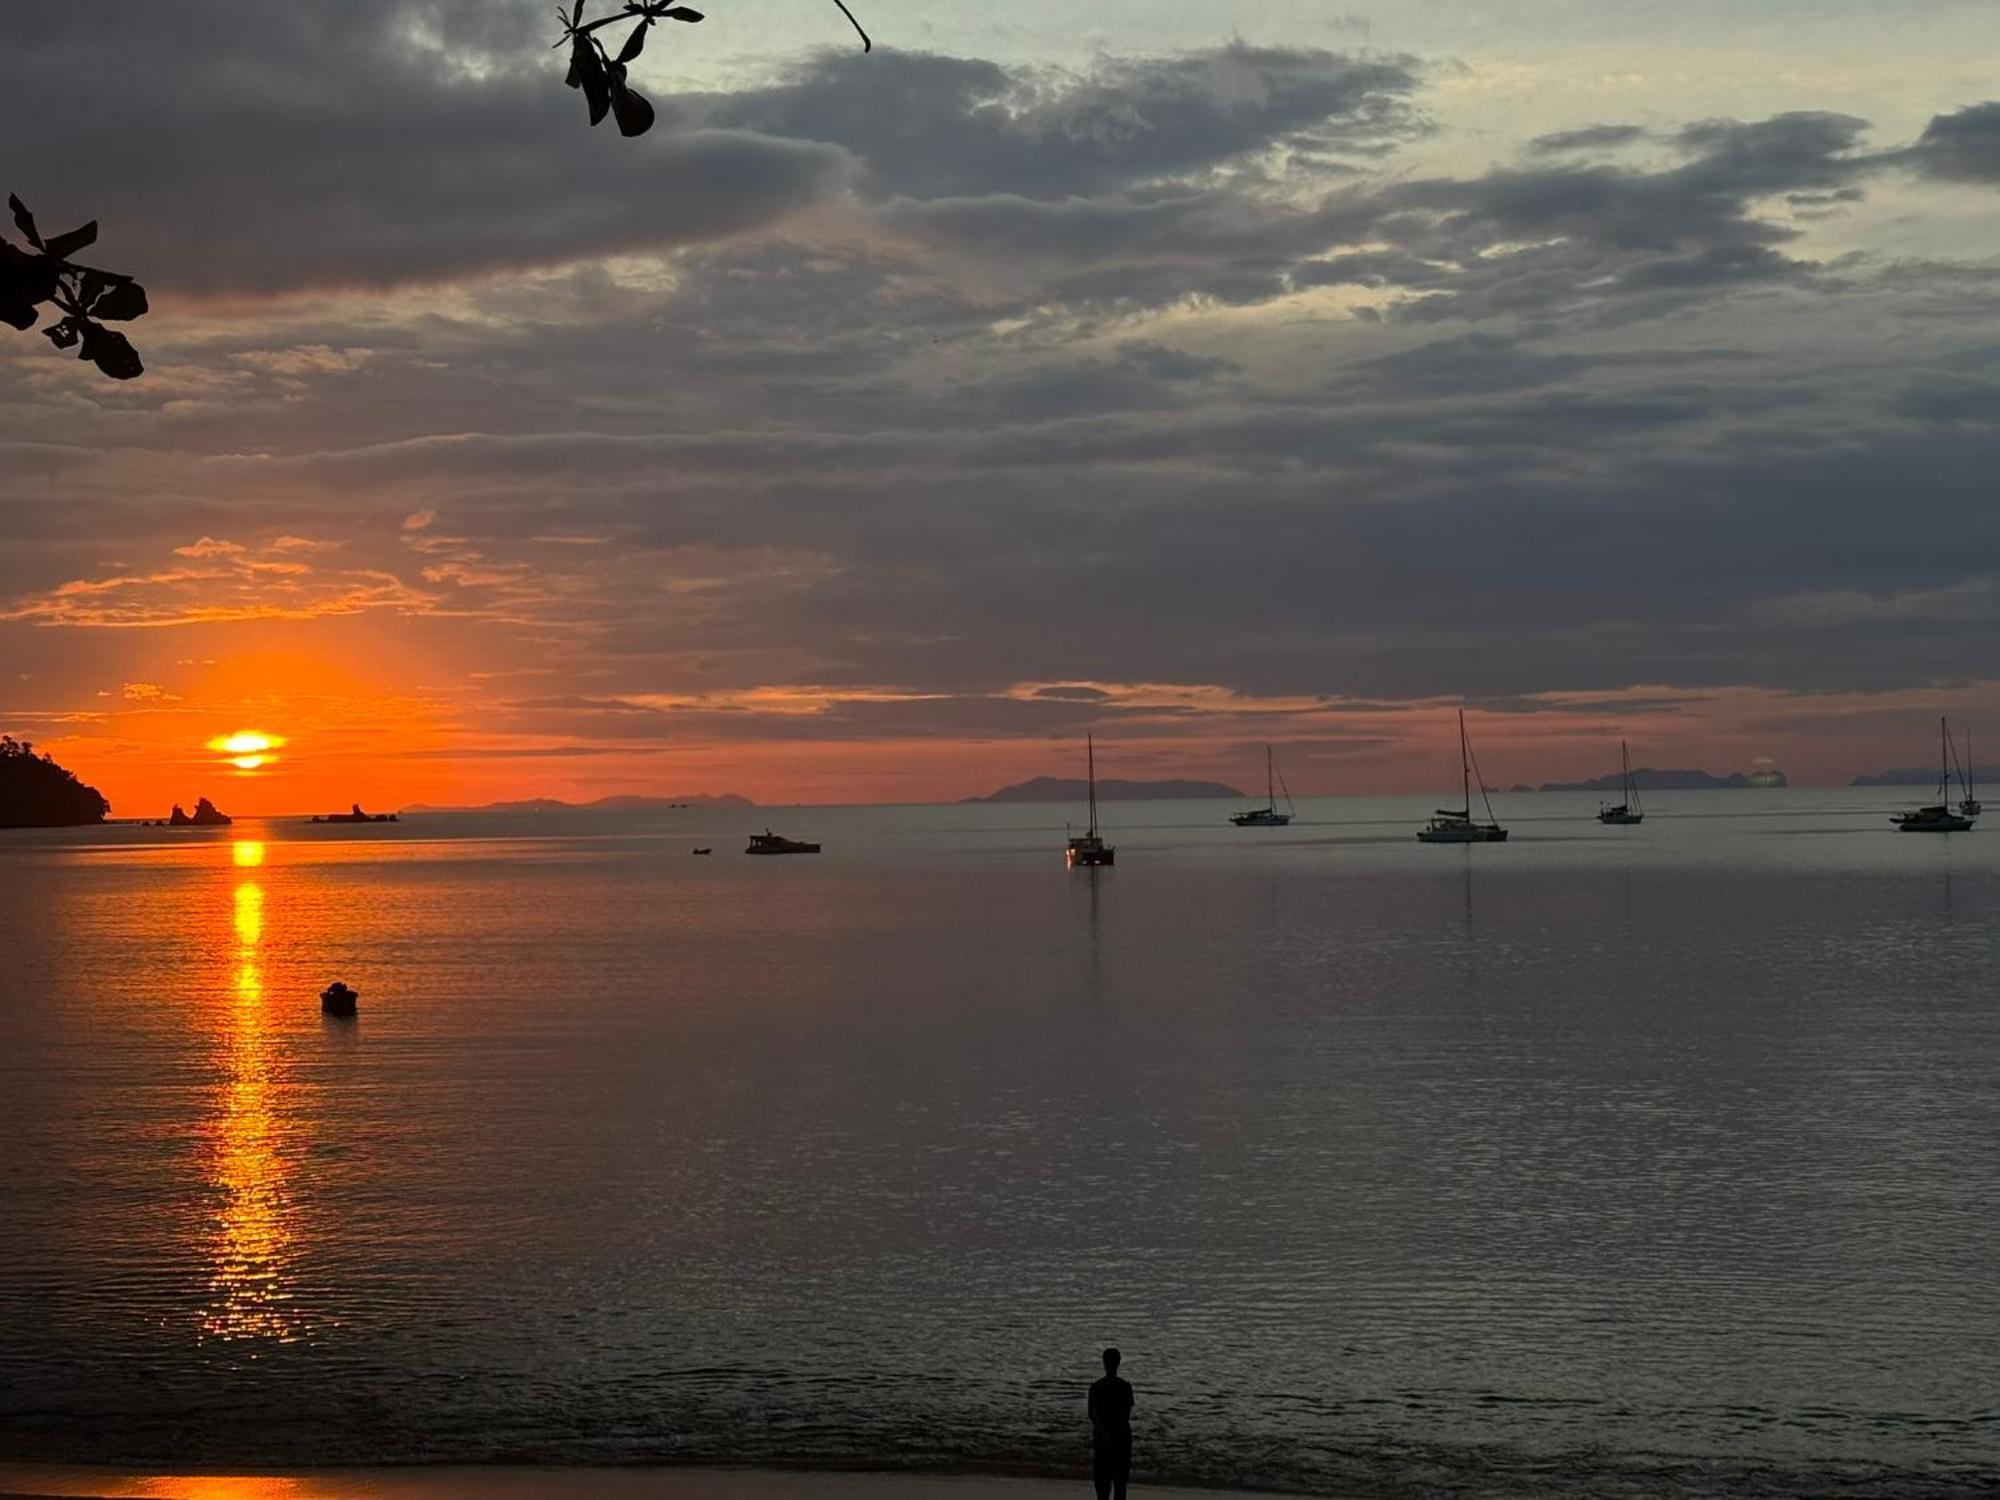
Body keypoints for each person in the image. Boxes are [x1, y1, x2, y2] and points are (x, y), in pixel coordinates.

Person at [1087, 1346, 1134, 1500]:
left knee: (1102, 1487)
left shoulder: (1095, 1387)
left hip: (1102, 1439)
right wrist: (1113, 1431)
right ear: (1119, 1363)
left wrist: (1105, 1433)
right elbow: (1125, 1415)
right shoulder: (1125, 1387)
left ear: (1104, 1363)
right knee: (1120, 1486)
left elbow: (1092, 1415)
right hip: (1121, 1438)